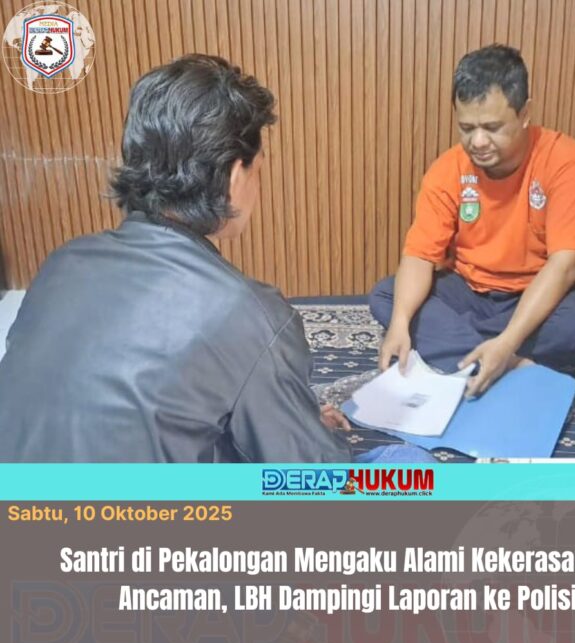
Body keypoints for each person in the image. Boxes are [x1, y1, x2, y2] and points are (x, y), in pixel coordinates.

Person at [0, 55, 367, 463]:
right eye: (258, 170)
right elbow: (311, 477)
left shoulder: (63, 263)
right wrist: (315, 435)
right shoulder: (251, 316)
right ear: (235, 177)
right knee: (398, 469)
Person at [369, 44, 575, 397]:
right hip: (469, 291)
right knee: (387, 297)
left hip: (538, 293)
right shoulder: (447, 169)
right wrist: (400, 324)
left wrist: (508, 340)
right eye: (466, 128)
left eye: (492, 127)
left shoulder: (567, 161)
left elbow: (566, 266)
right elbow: (419, 256)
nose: (478, 142)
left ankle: (478, 353)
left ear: (525, 113)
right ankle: (510, 363)